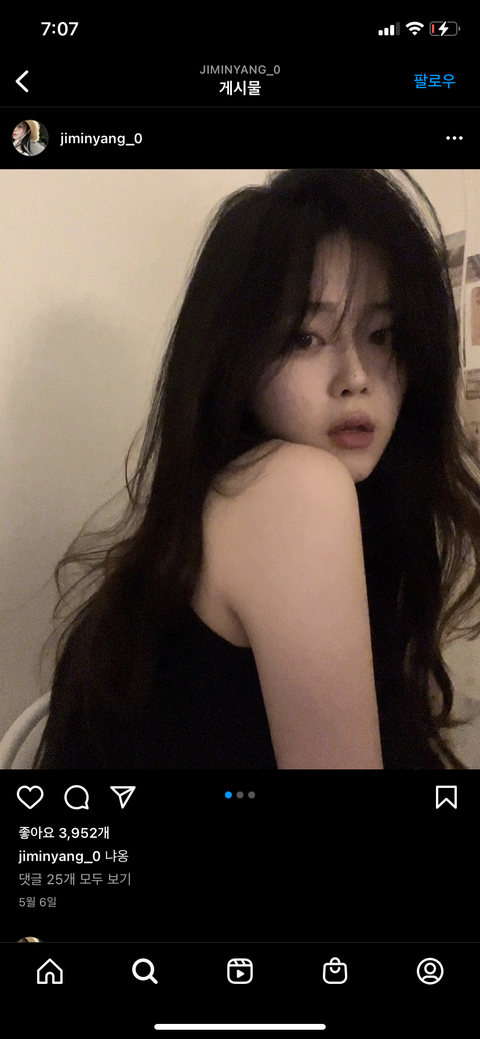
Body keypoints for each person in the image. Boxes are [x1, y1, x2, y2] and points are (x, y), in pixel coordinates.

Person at [33, 169, 480, 770]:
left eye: (382, 334)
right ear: (235, 358)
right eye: (305, 338)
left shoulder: (225, 504)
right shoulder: (295, 490)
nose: (355, 376)